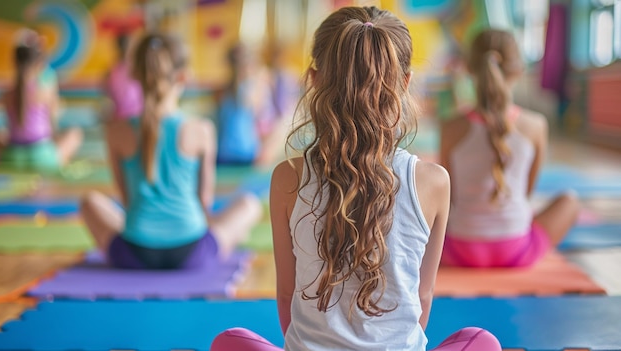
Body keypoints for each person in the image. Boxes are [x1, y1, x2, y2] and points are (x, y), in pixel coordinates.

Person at [211, 6, 501, 351]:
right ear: (406, 83)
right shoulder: (434, 181)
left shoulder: (286, 177)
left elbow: (287, 294)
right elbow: (422, 297)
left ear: (314, 80)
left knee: (229, 341)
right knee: (481, 341)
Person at [80, 33, 262, 270]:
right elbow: (204, 201)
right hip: (192, 255)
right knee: (250, 204)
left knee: (89, 202)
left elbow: (126, 200)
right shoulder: (202, 130)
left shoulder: (115, 131)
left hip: (133, 255)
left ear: (135, 75)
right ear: (183, 76)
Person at [439, 29, 579, 268]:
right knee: (570, 201)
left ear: (469, 70)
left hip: (457, 250)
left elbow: (449, 196)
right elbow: (526, 191)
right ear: (519, 70)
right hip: (516, 250)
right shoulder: (536, 125)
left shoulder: (451, 126)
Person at [0, 30, 82, 171]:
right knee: (75, 133)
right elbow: (52, 127)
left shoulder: (6, 95)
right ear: (39, 64)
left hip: (12, 156)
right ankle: (62, 163)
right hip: (42, 156)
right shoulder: (44, 92)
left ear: (14, 62)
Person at [215, 43, 287, 166]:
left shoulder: (225, 91)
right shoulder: (249, 88)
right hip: (243, 152)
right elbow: (264, 115)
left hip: (225, 152)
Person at [102, 33, 143, 120]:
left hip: (122, 116)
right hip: (133, 115)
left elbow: (106, 92)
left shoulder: (111, 70)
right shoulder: (136, 68)